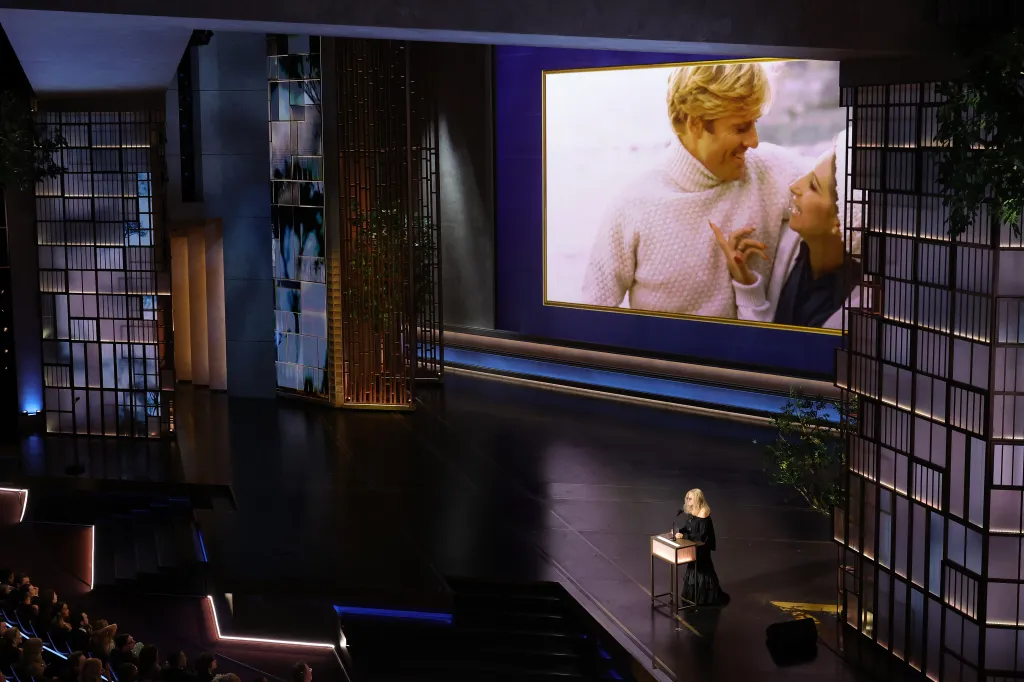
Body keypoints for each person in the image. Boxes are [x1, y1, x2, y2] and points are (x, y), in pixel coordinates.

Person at [581, 61, 805, 318]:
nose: (754, 141)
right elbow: (592, 317)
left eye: (754, 123)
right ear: (695, 123)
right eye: (741, 128)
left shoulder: (774, 172)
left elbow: (846, 202)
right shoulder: (634, 206)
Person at [712, 130, 862, 329]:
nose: (793, 186)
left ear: (840, 222)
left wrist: (750, 298)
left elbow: (772, 357)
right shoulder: (786, 239)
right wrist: (747, 286)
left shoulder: (856, 312)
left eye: (813, 186)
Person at [675, 488, 729, 606]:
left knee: (702, 568)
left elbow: (701, 534)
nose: (687, 500)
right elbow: (688, 526)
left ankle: (704, 596)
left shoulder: (703, 511)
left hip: (702, 545)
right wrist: (681, 531)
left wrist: (684, 535)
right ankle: (692, 594)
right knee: (693, 566)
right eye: (687, 498)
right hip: (694, 543)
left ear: (697, 499)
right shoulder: (691, 510)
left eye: (690, 498)